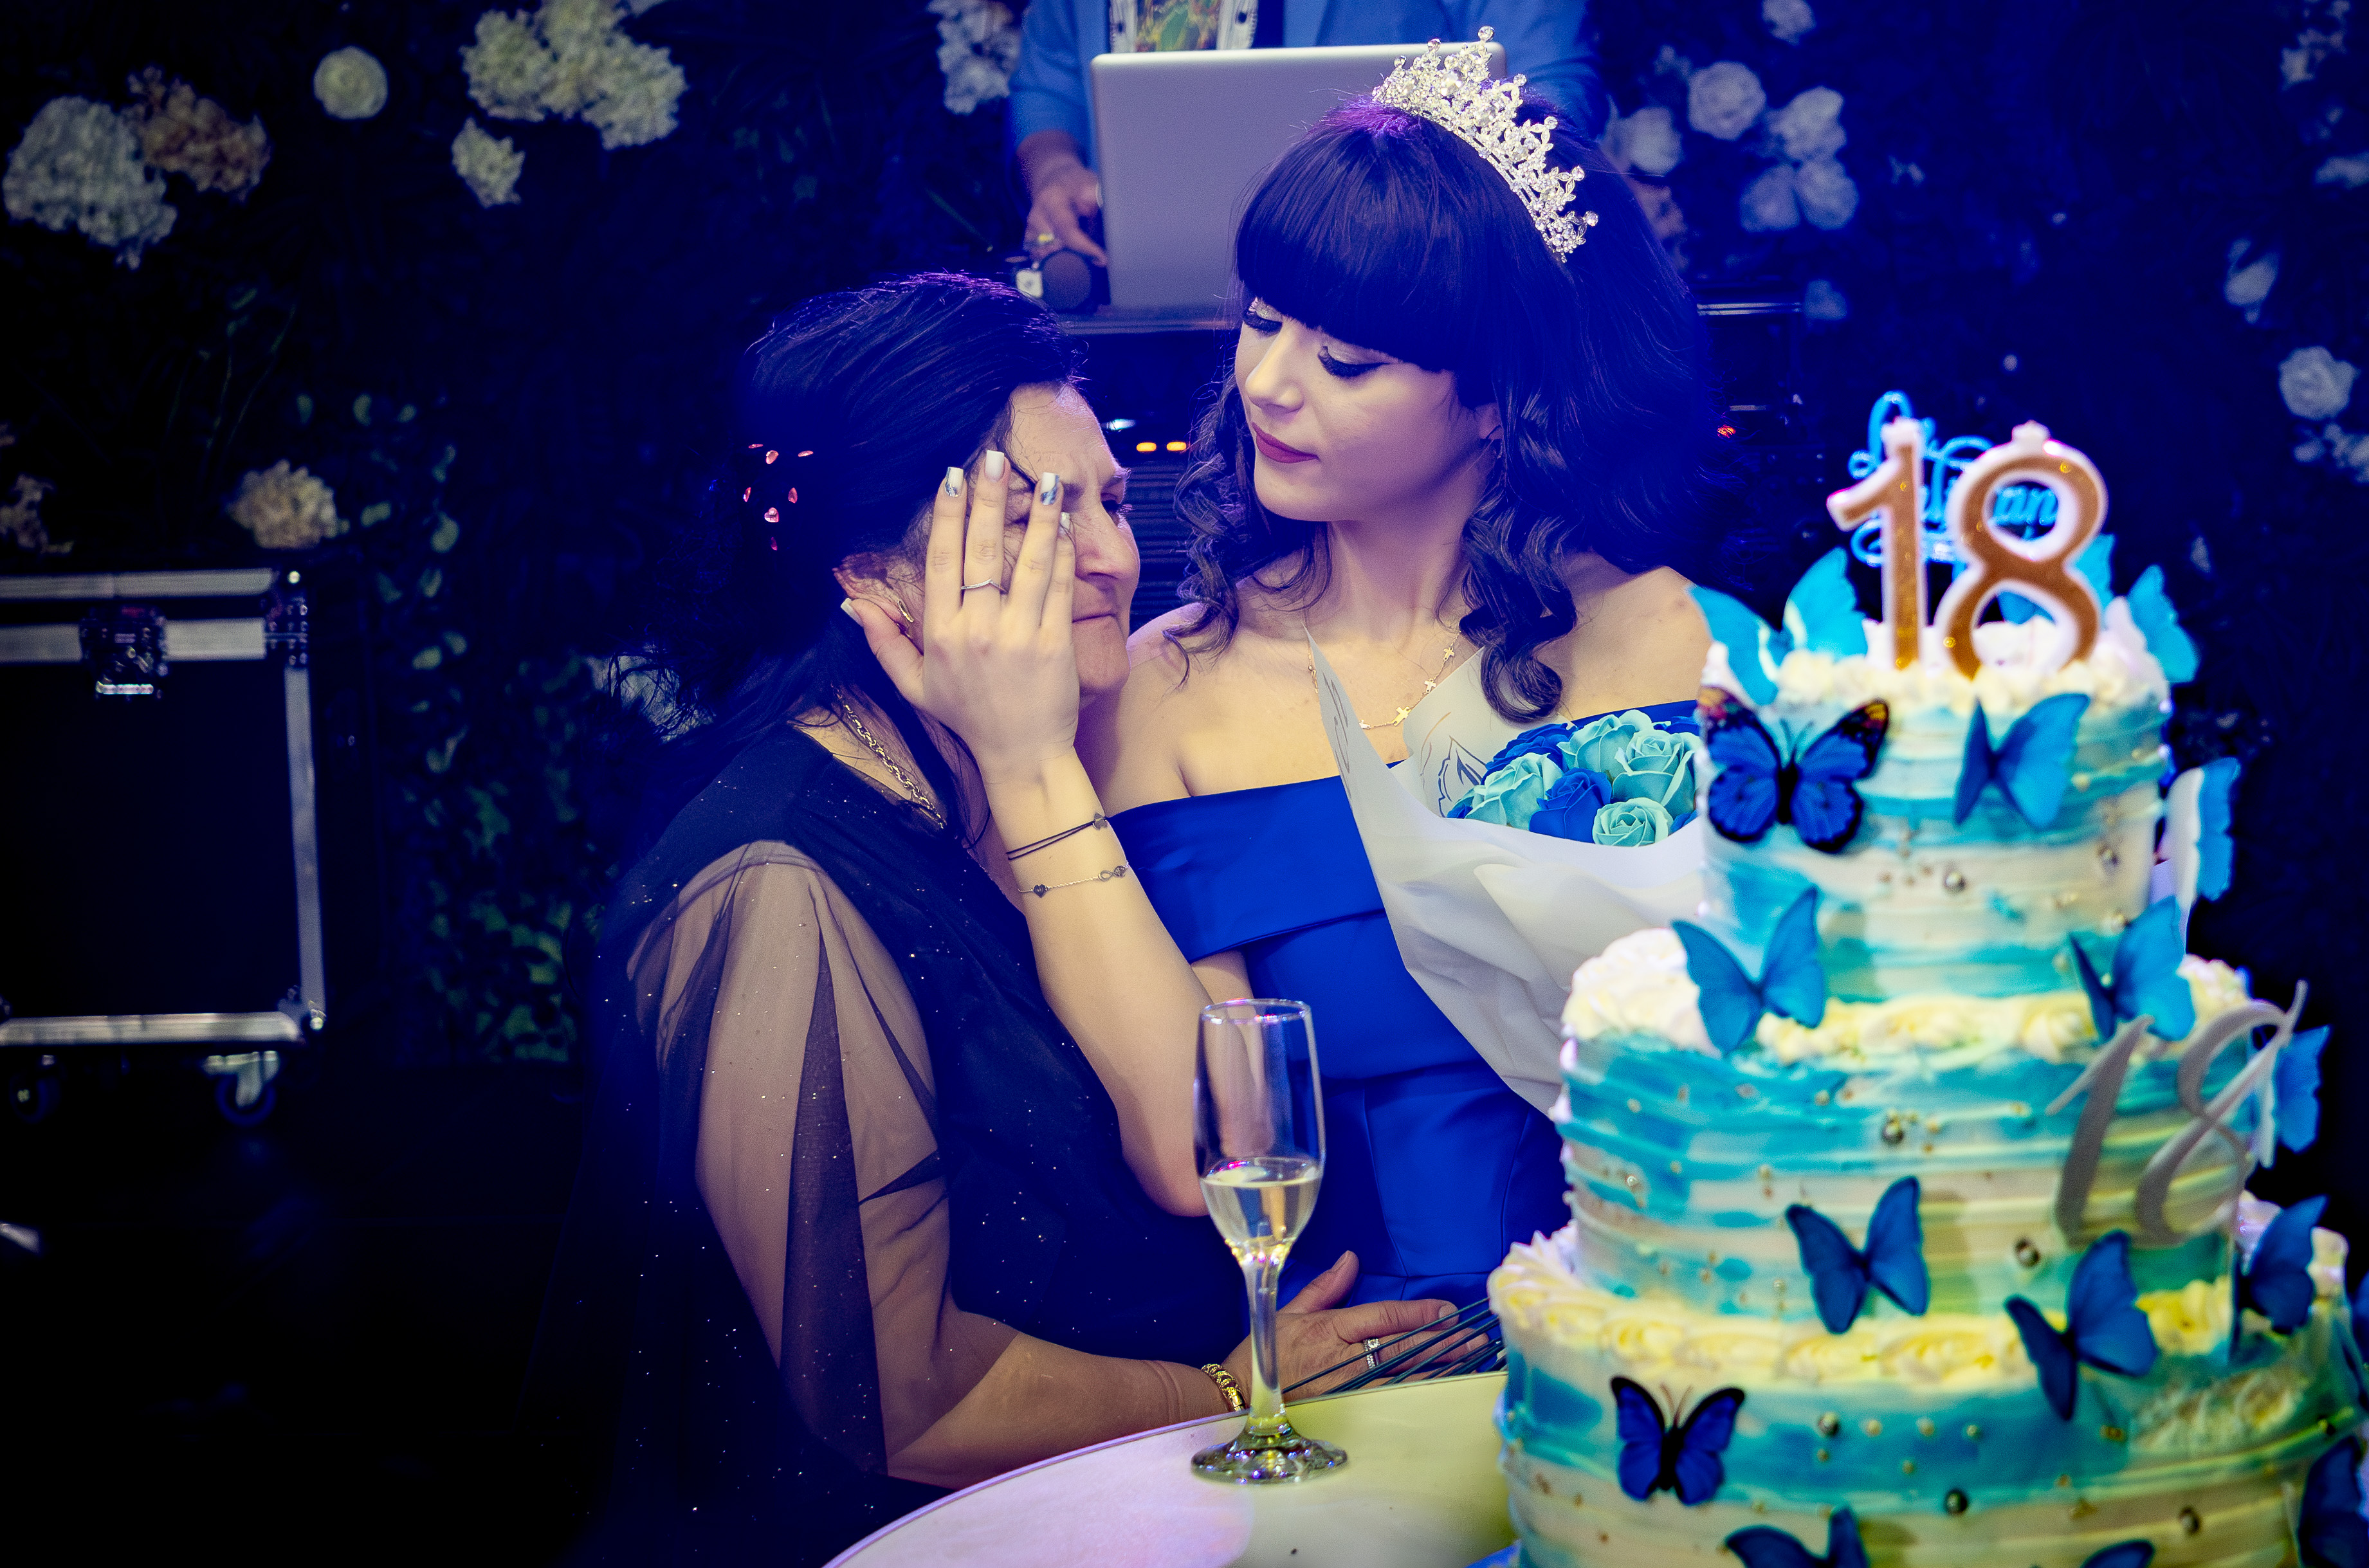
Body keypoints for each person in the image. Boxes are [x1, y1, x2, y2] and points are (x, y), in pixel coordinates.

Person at [531, 273, 1447, 1566]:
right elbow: (895, 1391)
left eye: (1111, 502)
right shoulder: (776, 883)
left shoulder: (1037, 769)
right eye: (1036, 518)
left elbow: (1211, 1140)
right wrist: (1221, 1392)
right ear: (872, 576)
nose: (1111, 557)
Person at [861, 48, 1733, 1309]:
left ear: (1498, 399)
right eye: (1264, 321)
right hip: (1369, 1356)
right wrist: (1030, 763)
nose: (1266, 383)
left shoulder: (1677, 645)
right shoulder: (1164, 694)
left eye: (1347, 360)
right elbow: (1194, 1149)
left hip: (1692, 1327)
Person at [1011, 0, 1604, 264]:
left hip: (1400, 290)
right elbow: (1048, 88)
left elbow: (1549, 89)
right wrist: (1055, 169)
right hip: (1134, 294)